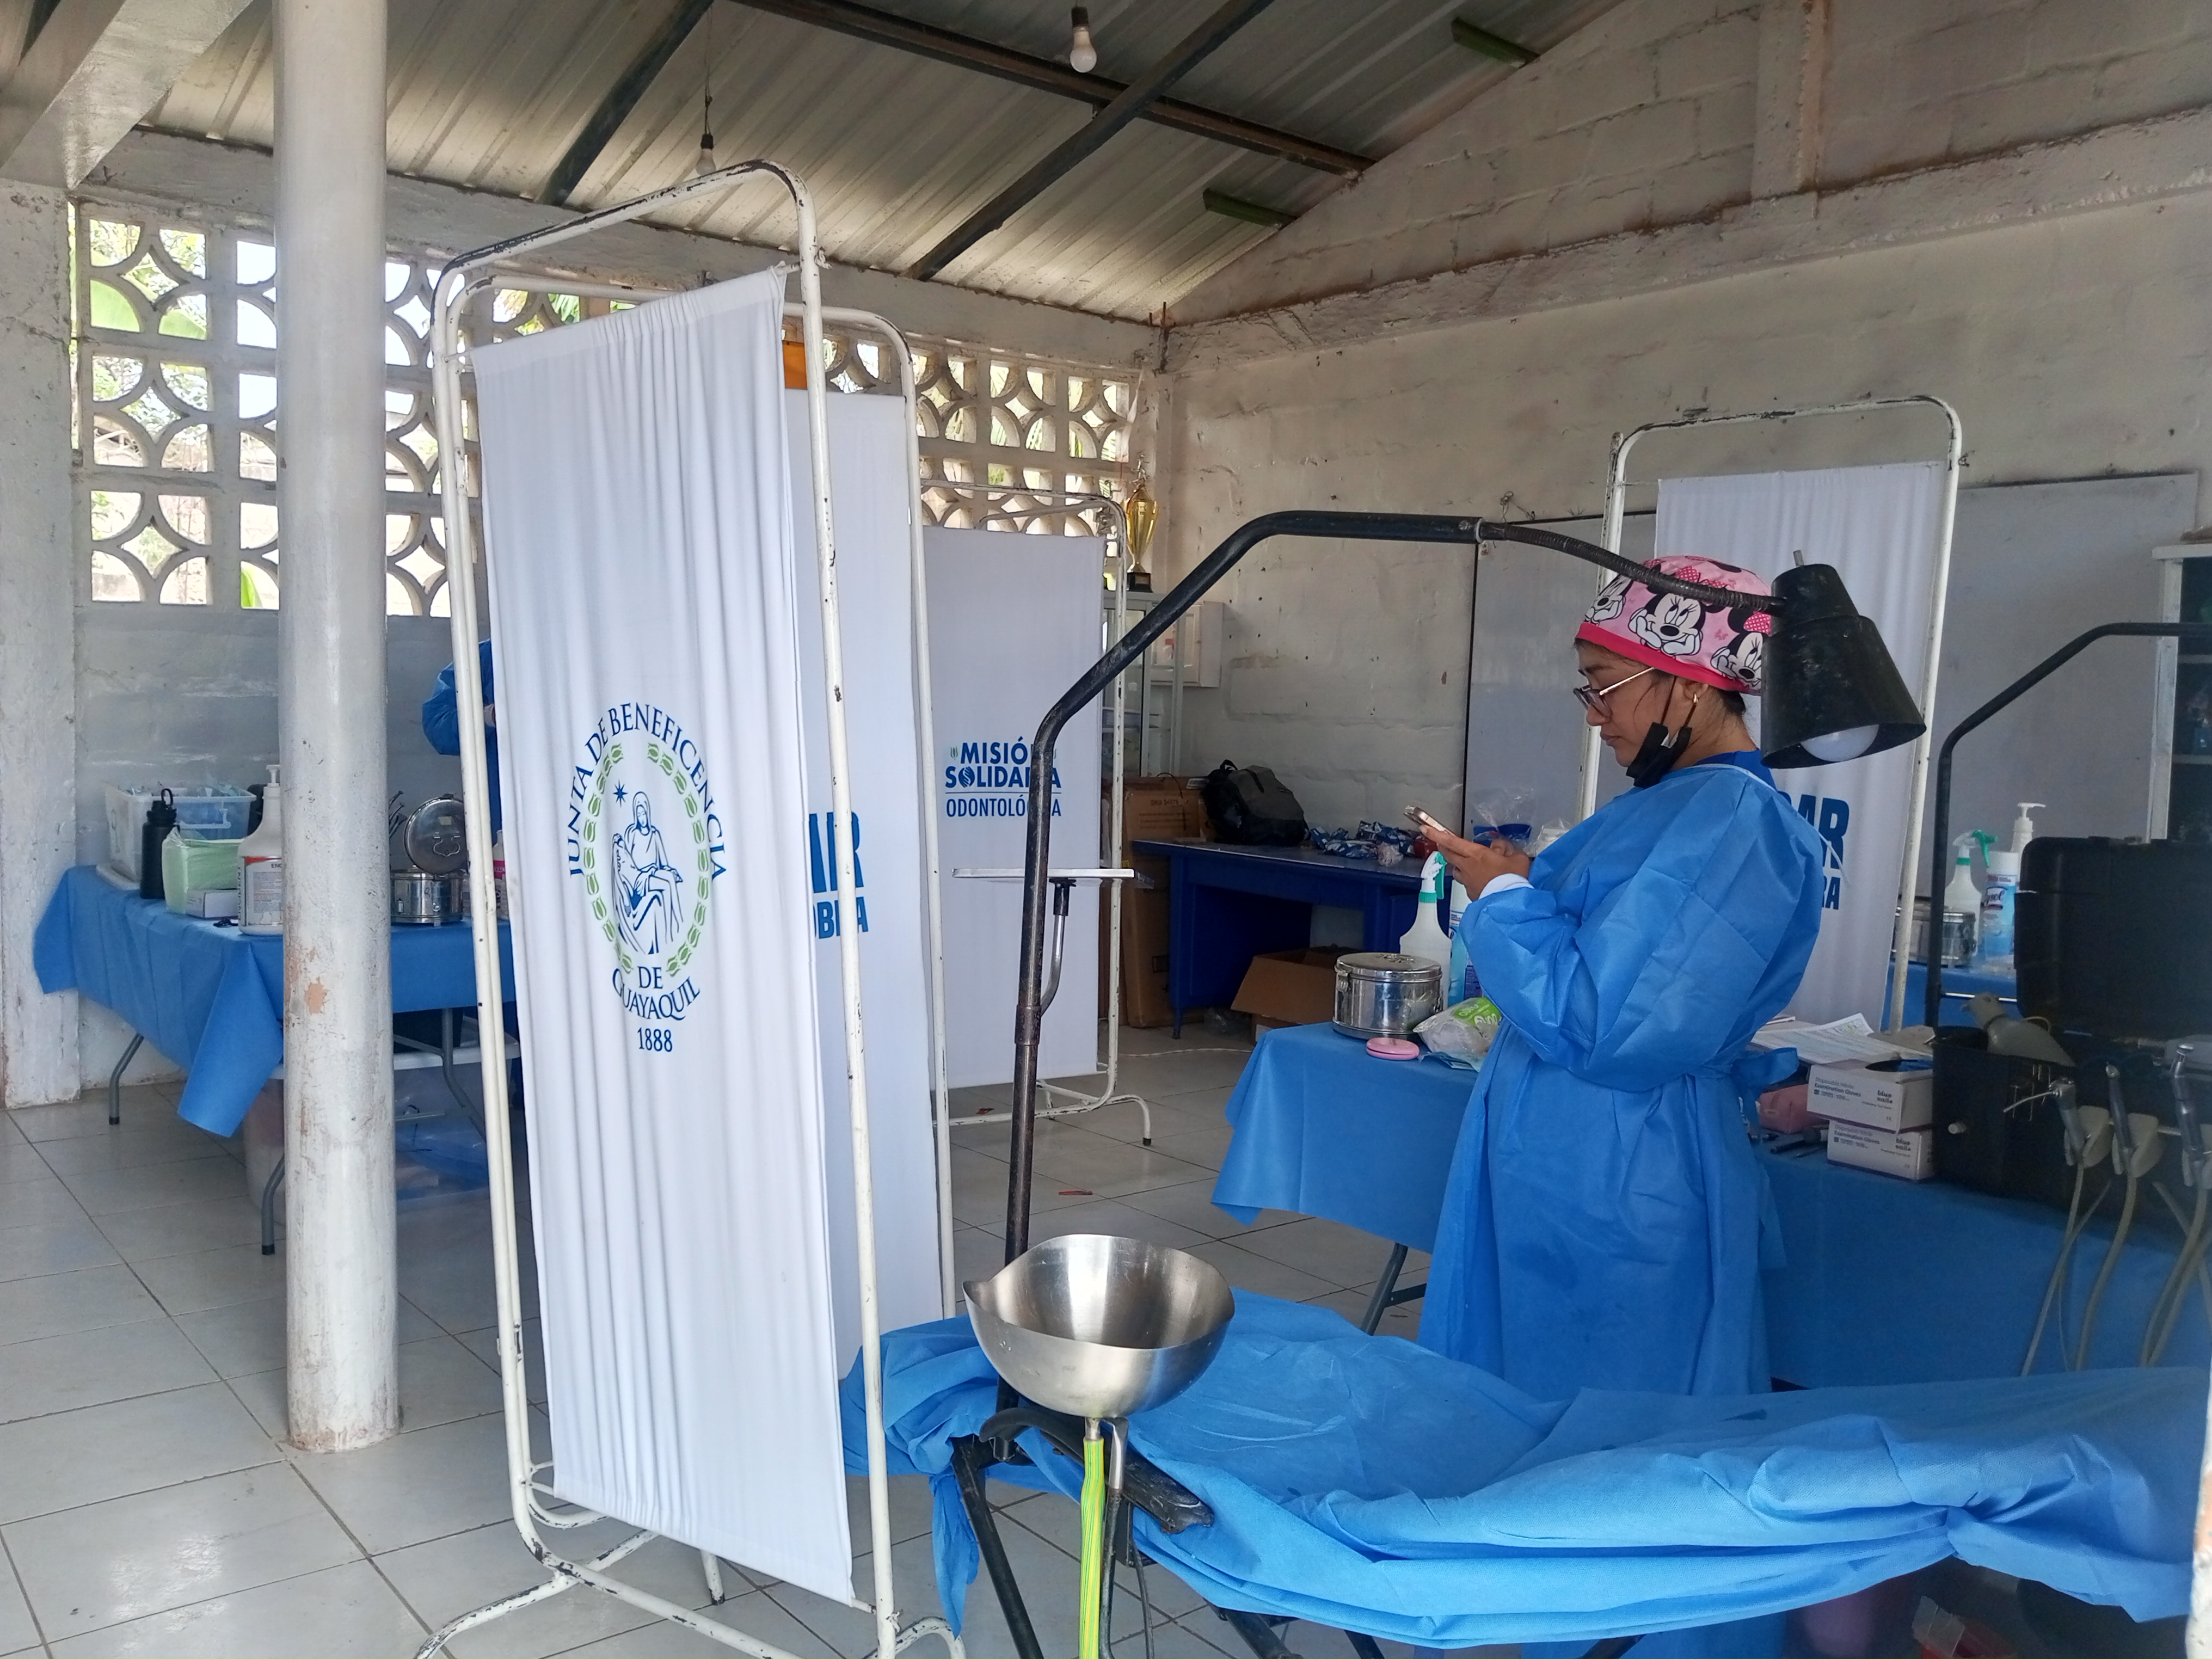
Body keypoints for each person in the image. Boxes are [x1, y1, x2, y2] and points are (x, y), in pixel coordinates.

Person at [1418, 555, 1826, 1404]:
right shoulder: (1673, 805)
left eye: (1605, 685)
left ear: (1689, 685)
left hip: (1626, 1165)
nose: (1594, 714)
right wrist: (1526, 883)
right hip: (1575, 1153)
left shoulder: (1731, 823)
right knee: (1521, 1393)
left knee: (1610, 1411)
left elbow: (1610, 1023)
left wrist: (1504, 898)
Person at [423, 639, 499, 837]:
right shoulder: (488, 656)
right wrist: (488, 716)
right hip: (504, 811)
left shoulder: (575, 651)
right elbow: (437, 725)